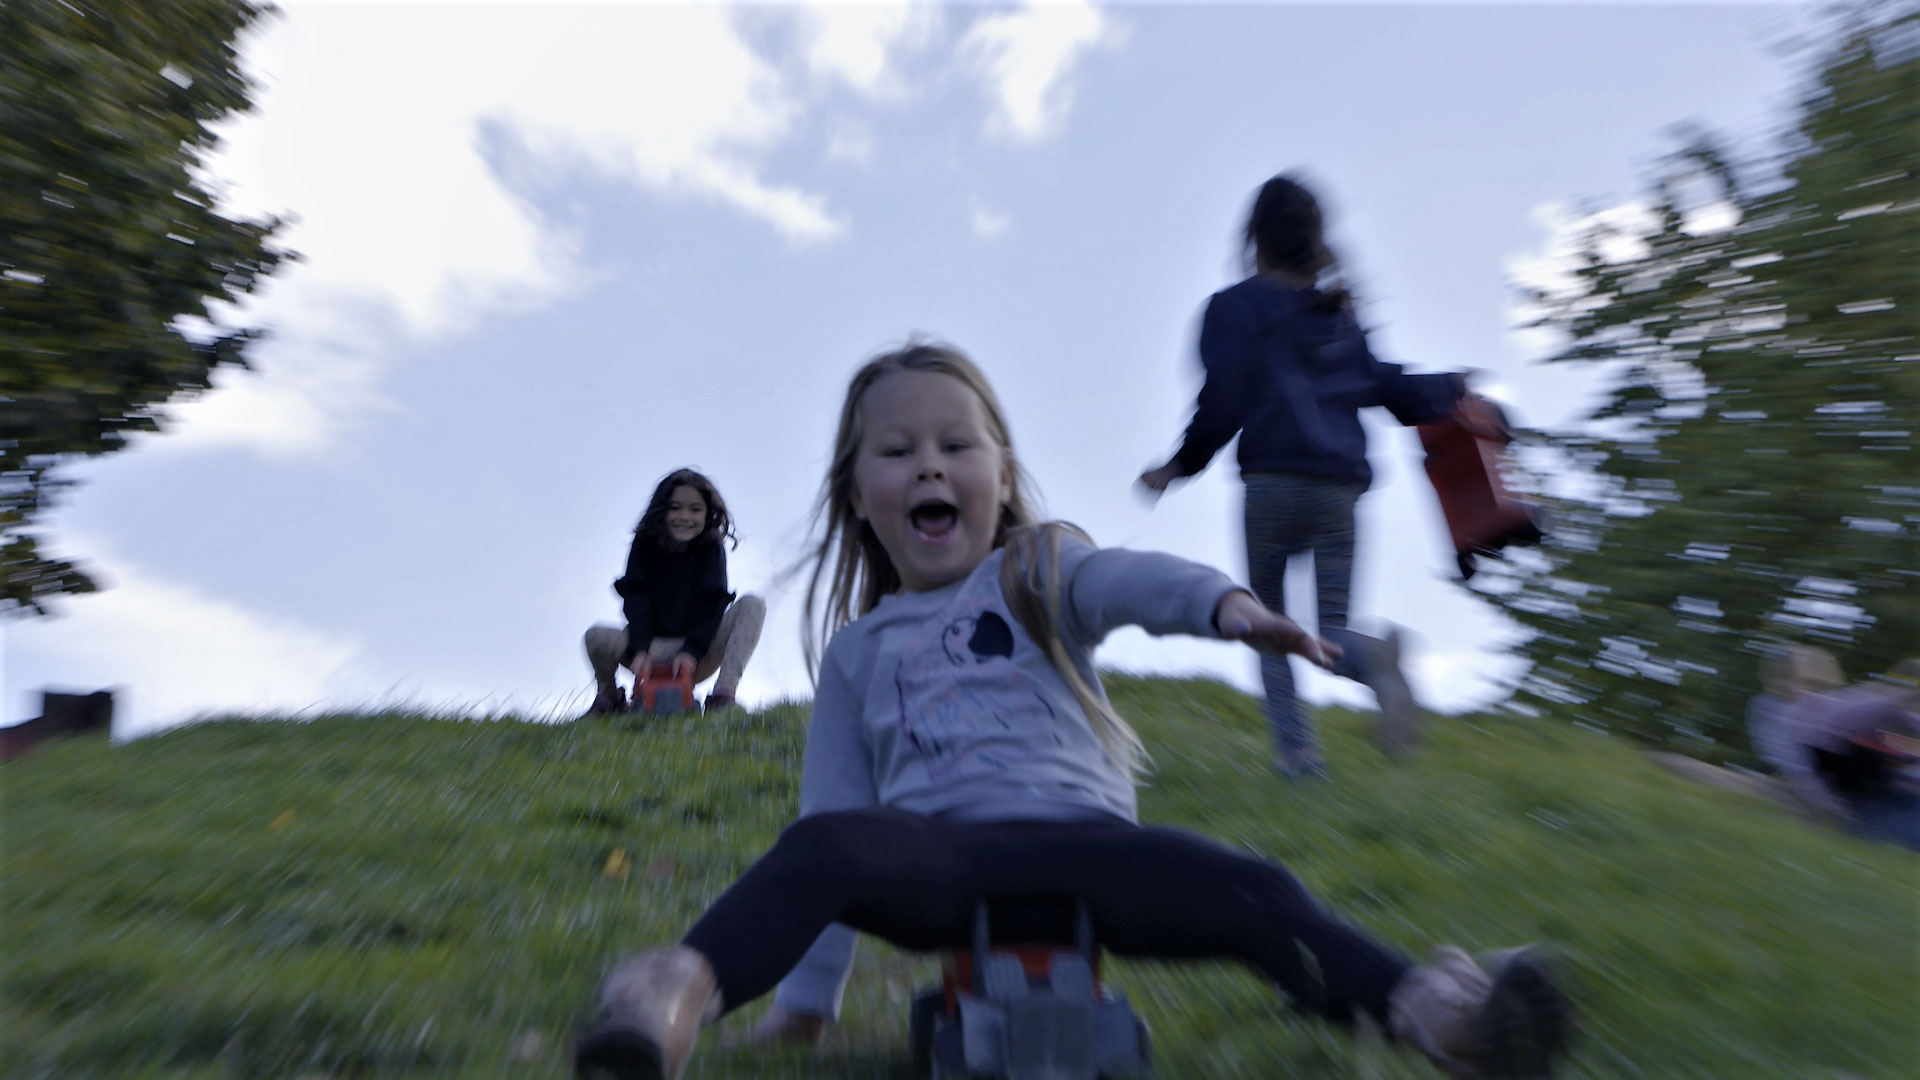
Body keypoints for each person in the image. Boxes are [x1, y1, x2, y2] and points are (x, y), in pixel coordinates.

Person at [572, 343, 1571, 1080]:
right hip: (941, 865)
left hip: (1097, 856)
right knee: (826, 848)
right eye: (898, 451)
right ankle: (667, 1000)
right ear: (859, 492)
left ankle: (1441, 1014)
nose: (928, 465)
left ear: (1000, 476)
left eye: (955, 444)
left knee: (1255, 890)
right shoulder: (858, 652)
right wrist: (805, 1007)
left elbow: (1132, 580)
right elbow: (828, 823)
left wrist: (1229, 609)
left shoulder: (1040, 571)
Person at [1139, 173, 1471, 776]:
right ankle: (1375, 664)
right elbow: (1389, 387)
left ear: (1254, 238)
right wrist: (1453, 387)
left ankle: (1298, 757)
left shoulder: (1233, 309)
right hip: (1339, 492)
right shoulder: (1337, 314)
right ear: (1317, 241)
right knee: (1335, 626)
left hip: (1273, 485)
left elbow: (1223, 402)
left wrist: (1178, 467)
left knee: (1268, 626)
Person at [583, 468, 766, 716]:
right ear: (662, 509)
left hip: (699, 653)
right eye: (676, 507)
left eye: (695, 509)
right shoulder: (643, 544)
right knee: (596, 636)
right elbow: (637, 599)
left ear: (707, 513)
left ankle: (723, 696)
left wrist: (691, 653)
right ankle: (610, 697)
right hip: (649, 650)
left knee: (753, 605)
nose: (684, 516)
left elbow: (712, 605)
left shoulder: (712, 548)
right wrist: (640, 650)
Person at [1759, 654, 1920, 851]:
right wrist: (1827, 808)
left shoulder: (1883, 706)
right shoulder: (1870, 705)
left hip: (1864, 782)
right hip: (1847, 788)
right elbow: (1798, 766)